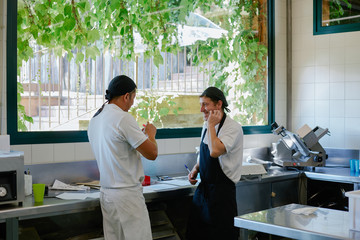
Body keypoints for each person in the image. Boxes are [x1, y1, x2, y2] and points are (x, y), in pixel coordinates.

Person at [88, 75, 158, 240]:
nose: (132, 103)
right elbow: (152, 153)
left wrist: (139, 139)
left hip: (107, 194)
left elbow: (117, 146)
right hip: (127, 197)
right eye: (133, 98)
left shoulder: (95, 119)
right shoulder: (123, 118)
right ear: (127, 96)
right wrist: (150, 135)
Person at [186, 86, 243, 240]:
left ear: (218, 104)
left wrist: (211, 125)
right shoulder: (206, 125)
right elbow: (204, 151)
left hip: (222, 195)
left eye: (205, 104)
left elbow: (215, 151)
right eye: (201, 104)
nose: (201, 109)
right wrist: (196, 168)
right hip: (204, 191)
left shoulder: (233, 127)